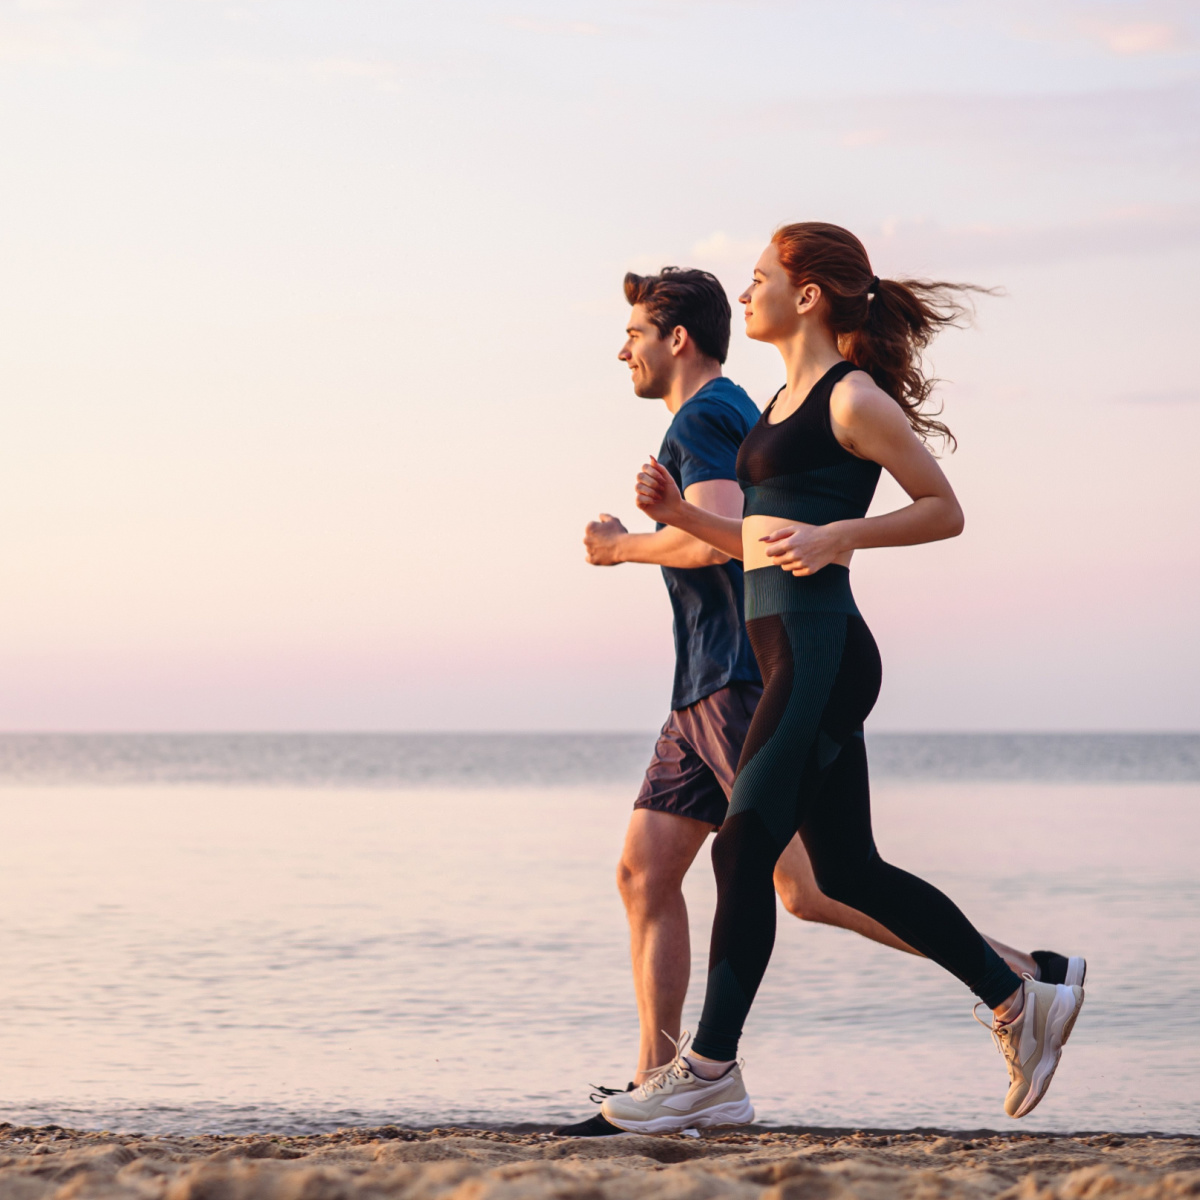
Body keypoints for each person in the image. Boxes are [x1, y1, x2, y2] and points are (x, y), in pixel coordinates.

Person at [561, 260, 1084, 1137]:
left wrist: (841, 533)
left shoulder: (845, 398)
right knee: (840, 872)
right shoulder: (768, 408)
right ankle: (1018, 993)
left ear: (806, 294)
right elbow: (756, 541)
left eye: (761, 273)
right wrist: (681, 519)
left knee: (753, 859)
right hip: (775, 655)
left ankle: (708, 1073)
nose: (746, 289)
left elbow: (942, 508)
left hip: (808, 656)